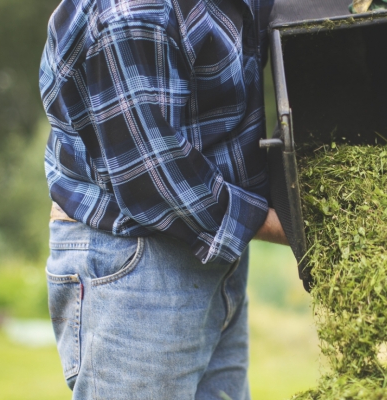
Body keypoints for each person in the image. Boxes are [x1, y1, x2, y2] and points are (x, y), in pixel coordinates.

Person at [39, 0, 285, 398]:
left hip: (214, 251)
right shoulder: (129, 12)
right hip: (136, 265)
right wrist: (293, 226)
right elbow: (152, 175)